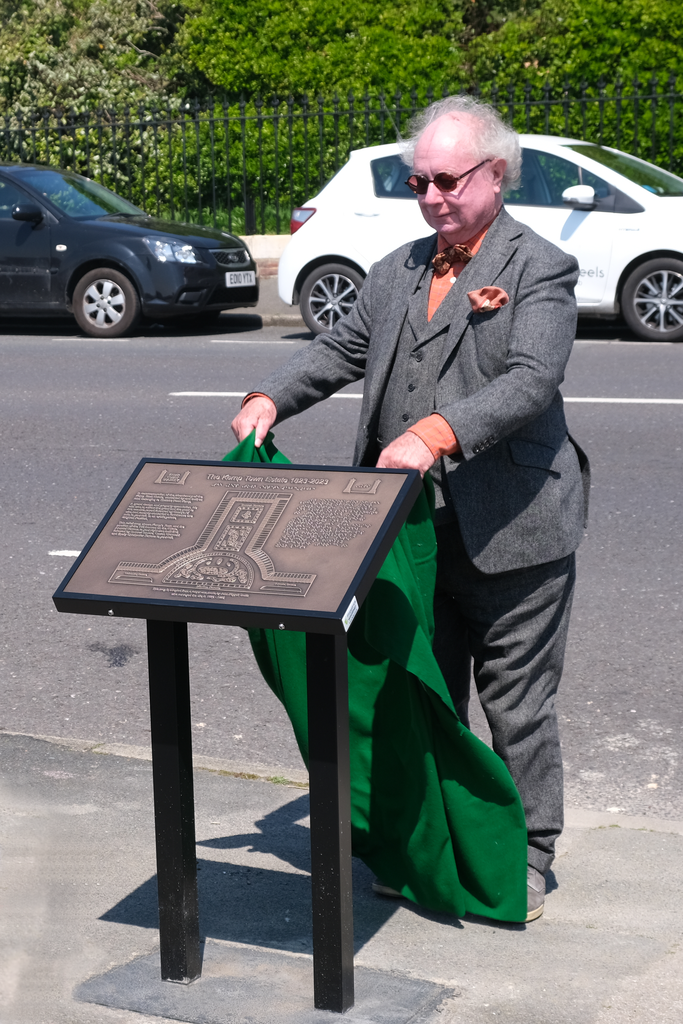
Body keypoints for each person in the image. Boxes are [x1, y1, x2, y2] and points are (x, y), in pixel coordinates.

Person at [231, 95, 589, 923]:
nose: (431, 197)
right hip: (401, 536)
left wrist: (435, 432)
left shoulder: (539, 267)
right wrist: (268, 401)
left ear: (494, 176)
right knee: (421, 694)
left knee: (516, 704)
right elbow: (335, 352)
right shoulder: (395, 270)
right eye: (416, 181)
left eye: (447, 181)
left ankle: (524, 852)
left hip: (516, 529)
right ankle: (427, 842)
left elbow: (531, 379)